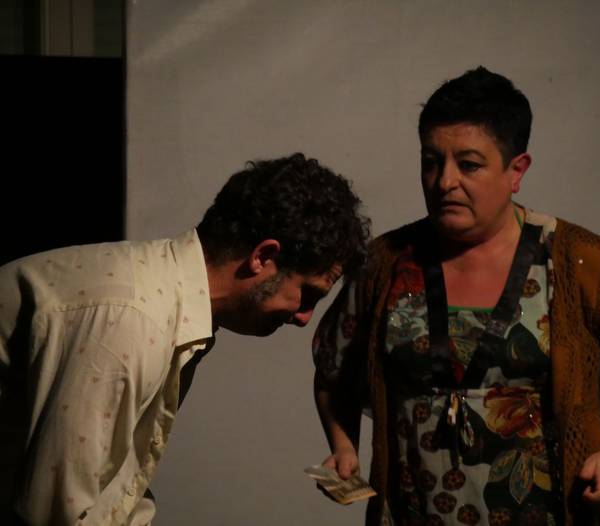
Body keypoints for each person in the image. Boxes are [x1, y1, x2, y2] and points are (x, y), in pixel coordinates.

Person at [312, 67, 600, 526]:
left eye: (469, 165)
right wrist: (343, 446)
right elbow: (332, 368)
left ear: (517, 170)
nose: (445, 181)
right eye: (431, 162)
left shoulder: (577, 260)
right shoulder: (384, 263)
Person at [0, 153, 370, 525]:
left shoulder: (172, 305)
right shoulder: (134, 319)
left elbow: (109, 491)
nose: (305, 319)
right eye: (308, 294)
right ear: (262, 256)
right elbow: (53, 515)